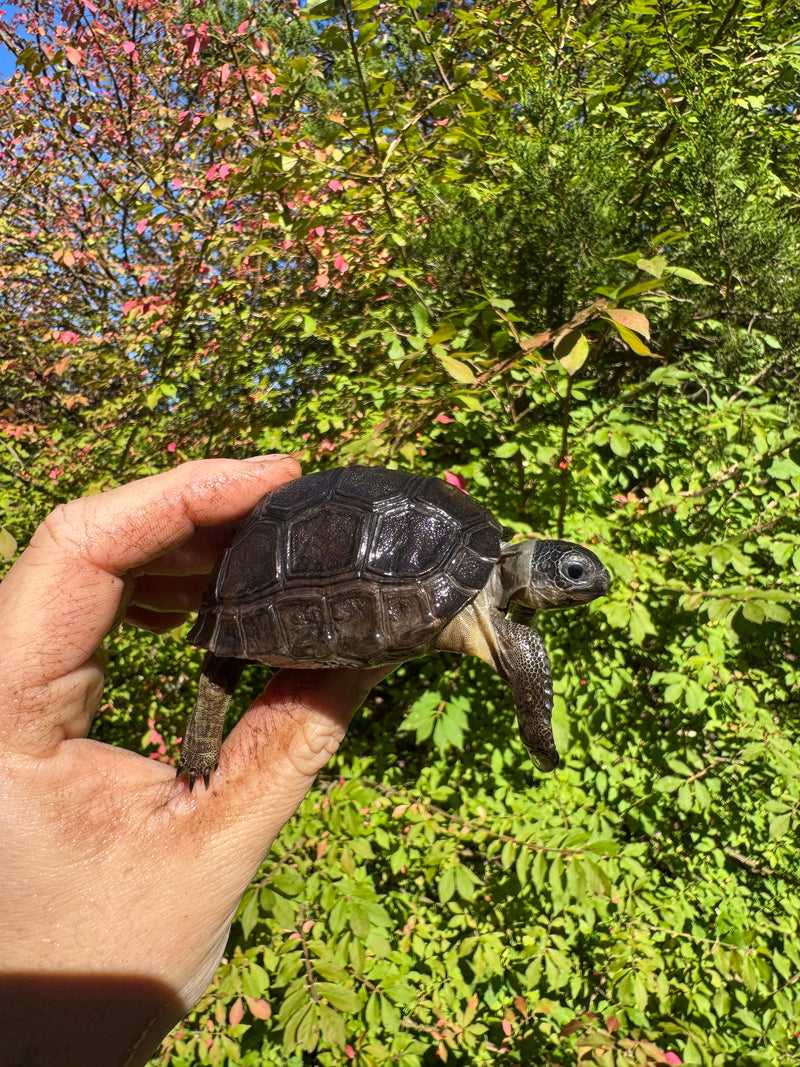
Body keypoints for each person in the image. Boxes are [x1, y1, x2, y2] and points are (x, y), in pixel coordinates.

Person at [0, 456, 388, 1066]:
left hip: (289, 579)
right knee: (220, 668)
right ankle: (200, 752)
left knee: (222, 663)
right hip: (281, 582)